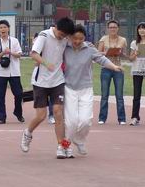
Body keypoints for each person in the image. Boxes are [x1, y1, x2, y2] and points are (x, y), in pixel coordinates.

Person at [21, 17, 75, 159]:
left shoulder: (65, 39)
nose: (62, 37)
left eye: (65, 35)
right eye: (61, 34)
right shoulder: (44, 35)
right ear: (56, 27)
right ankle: (27, 133)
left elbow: (76, 43)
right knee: (41, 116)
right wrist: (46, 63)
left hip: (58, 80)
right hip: (41, 81)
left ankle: (61, 146)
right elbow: (33, 54)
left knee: (58, 112)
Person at [64, 25, 122, 156]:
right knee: (71, 122)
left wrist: (114, 67)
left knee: (86, 120)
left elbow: (101, 59)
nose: (77, 41)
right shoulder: (65, 48)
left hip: (86, 88)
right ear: (70, 37)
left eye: (81, 38)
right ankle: (66, 146)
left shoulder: (89, 48)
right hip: (69, 88)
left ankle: (79, 140)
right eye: (75, 38)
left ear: (85, 38)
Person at [97, 20, 128, 125]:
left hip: (118, 68)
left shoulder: (123, 40)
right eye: (110, 27)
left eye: (114, 27)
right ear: (108, 28)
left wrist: (121, 53)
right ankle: (102, 118)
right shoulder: (103, 39)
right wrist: (106, 52)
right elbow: (98, 54)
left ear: (118, 28)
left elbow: (125, 55)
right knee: (104, 95)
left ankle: (122, 119)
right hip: (106, 68)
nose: (113, 29)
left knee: (119, 95)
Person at [0, 20, 23, 124]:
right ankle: (2, 117)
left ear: (8, 28)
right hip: (1, 73)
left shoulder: (14, 41)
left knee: (19, 94)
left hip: (14, 72)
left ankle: (18, 113)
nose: (3, 29)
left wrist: (10, 52)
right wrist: (3, 52)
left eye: (5, 27)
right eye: (1, 28)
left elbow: (19, 54)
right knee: (0, 96)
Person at [128, 22, 145, 126]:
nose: (141, 30)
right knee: (136, 94)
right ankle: (135, 117)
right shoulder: (134, 43)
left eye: (143, 28)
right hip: (137, 70)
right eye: (140, 28)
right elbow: (130, 59)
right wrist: (135, 54)